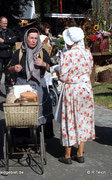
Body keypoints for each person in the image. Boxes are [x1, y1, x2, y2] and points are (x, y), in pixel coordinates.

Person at [8, 27, 54, 139]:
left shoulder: (42, 52)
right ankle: (23, 136)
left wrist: (43, 63)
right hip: (22, 84)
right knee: (22, 111)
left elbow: (51, 68)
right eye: (31, 38)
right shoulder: (19, 52)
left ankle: (40, 135)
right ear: (26, 38)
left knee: (41, 109)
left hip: (39, 84)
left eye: (36, 38)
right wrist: (14, 68)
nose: (33, 41)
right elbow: (9, 69)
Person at [58, 27, 95, 164]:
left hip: (72, 89)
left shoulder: (67, 55)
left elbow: (62, 75)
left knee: (70, 119)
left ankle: (68, 155)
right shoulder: (87, 53)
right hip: (85, 90)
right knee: (83, 119)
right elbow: (89, 71)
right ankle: (80, 153)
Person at [0, 16, 17, 100]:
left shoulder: (10, 31)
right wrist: (7, 44)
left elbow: (14, 41)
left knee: (9, 76)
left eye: (6, 23)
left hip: (8, 56)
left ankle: (8, 95)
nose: (6, 24)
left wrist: (4, 41)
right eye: (4, 23)